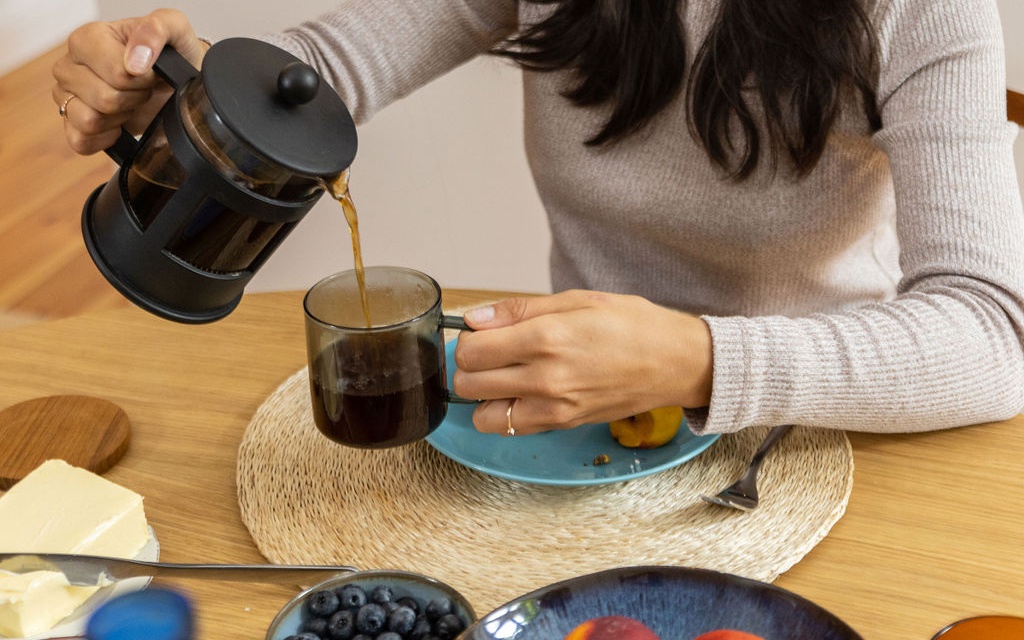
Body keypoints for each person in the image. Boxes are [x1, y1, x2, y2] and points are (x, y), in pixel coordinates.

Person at [52, 0, 1024, 439]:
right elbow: (321, 76)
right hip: (571, 419)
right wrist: (180, 91)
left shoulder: (925, 9)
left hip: (827, 422)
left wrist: (700, 358)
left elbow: (993, 329)